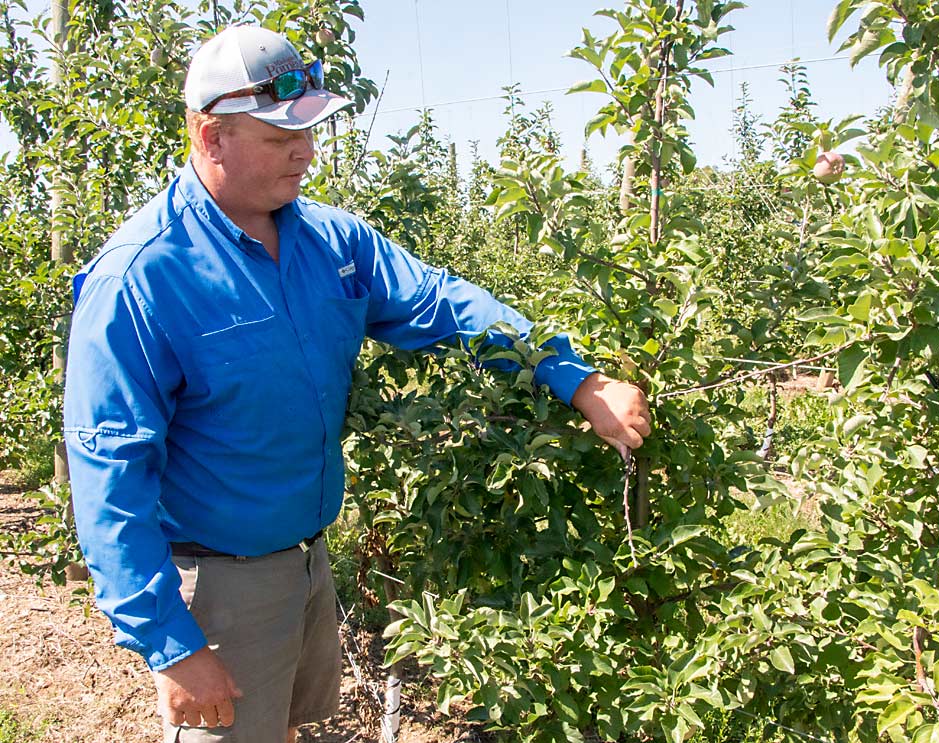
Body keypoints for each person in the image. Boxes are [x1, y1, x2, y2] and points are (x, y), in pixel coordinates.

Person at [63, 24, 650, 743]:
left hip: (309, 562)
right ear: (211, 136)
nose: (306, 151)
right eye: (282, 137)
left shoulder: (330, 242)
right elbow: (108, 475)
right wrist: (171, 644)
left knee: (282, 727)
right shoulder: (142, 279)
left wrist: (574, 375)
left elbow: (441, 303)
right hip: (217, 587)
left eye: (308, 130)